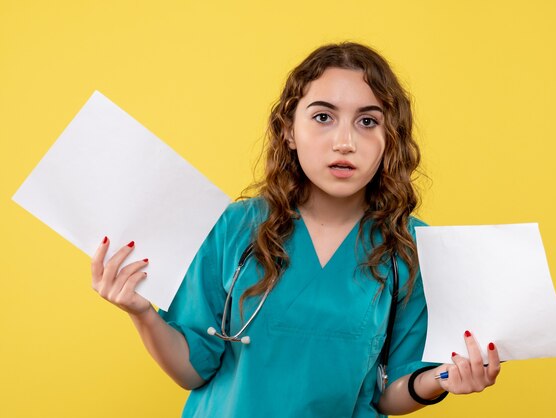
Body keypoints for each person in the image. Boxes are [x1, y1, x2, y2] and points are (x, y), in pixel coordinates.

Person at [90, 42, 501, 417]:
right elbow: (193, 370)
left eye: (368, 122)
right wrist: (142, 313)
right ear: (288, 130)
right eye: (323, 117)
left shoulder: (409, 247)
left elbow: (390, 392)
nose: (344, 142)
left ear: (390, 138)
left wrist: (444, 379)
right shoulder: (237, 226)